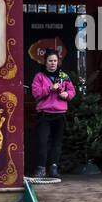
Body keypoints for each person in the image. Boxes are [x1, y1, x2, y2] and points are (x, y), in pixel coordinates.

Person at [30, 49, 75, 181]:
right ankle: (41, 168)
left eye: (55, 61)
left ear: (58, 62)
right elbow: (36, 93)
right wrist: (50, 89)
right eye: (50, 61)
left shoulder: (63, 76)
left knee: (57, 142)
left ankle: (53, 168)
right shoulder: (39, 76)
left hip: (60, 114)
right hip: (45, 114)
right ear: (45, 62)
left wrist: (67, 95)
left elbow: (72, 91)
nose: (53, 63)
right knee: (42, 142)